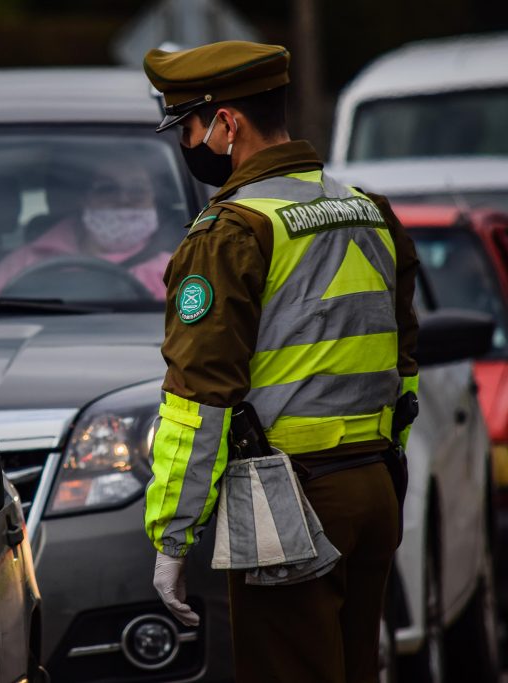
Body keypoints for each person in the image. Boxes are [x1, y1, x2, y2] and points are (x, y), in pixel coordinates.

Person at [141, 41, 419, 683]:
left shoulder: (232, 232)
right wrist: (383, 461)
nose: (189, 143)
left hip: (287, 503)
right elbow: (402, 368)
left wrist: (171, 534)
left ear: (227, 124)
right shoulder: (368, 214)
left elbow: (198, 398)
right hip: (374, 490)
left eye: (189, 127)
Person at [0, 152, 172, 299]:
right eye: (107, 189)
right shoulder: (24, 263)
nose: (124, 199)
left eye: (138, 191)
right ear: (84, 199)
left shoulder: (176, 270)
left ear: (154, 200)